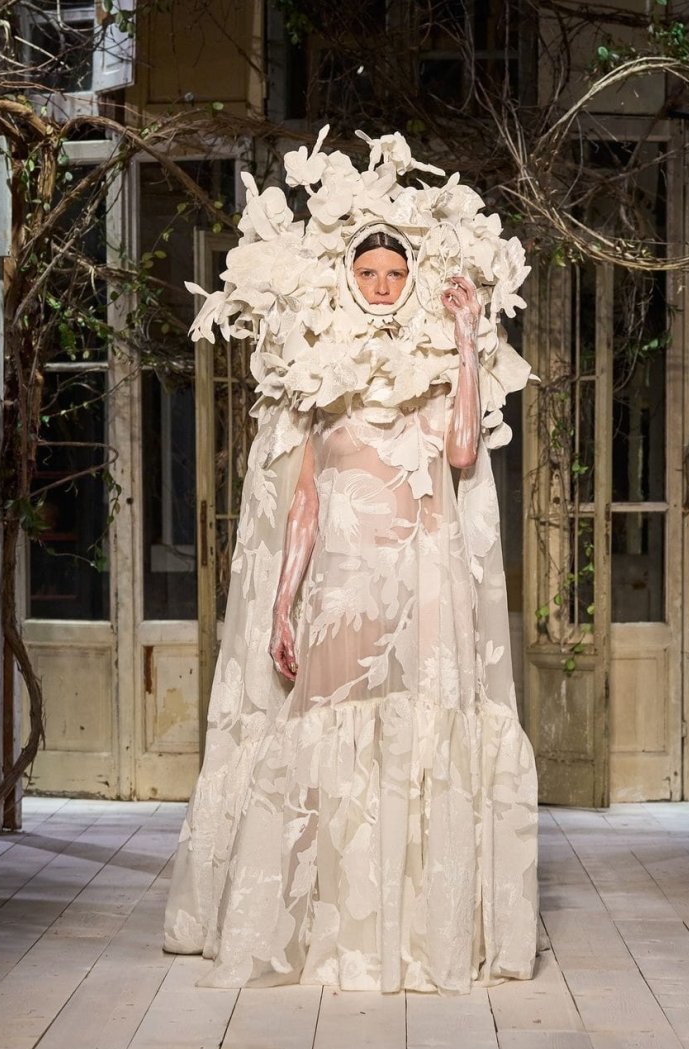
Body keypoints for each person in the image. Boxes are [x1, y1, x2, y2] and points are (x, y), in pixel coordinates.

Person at [164, 134, 538, 994]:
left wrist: (467, 338)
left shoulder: (435, 370)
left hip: (421, 587)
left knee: (419, 737)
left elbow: (461, 454)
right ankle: (329, 938)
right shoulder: (316, 376)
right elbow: (301, 503)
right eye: (367, 272)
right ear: (346, 275)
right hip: (338, 589)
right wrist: (282, 603)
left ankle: (414, 939)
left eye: (393, 273)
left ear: (412, 279)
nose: (379, 284)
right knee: (326, 745)